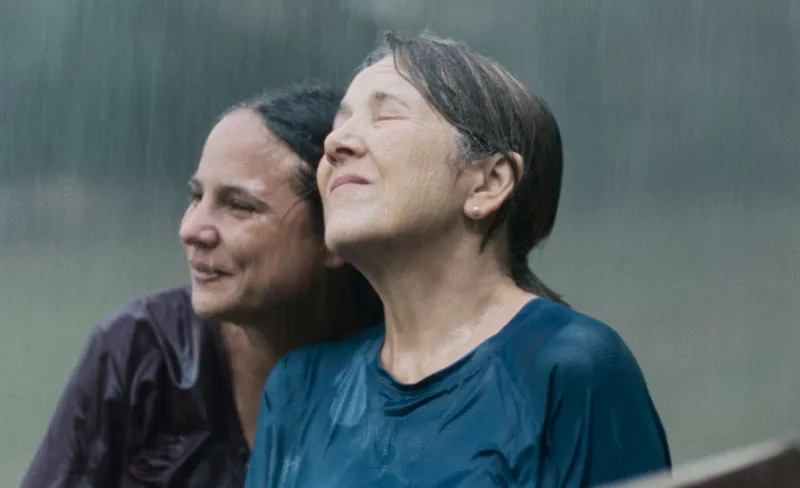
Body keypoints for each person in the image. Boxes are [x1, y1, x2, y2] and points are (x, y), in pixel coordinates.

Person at [245, 33, 671, 488]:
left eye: (385, 115)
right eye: (340, 122)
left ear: (488, 183)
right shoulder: (299, 390)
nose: (335, 144)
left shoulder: (570, 371)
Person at [22, 82, 382, 488]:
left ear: (337, 231)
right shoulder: (143, 353)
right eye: (196, 196)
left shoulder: (406, 377)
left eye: (239, 205)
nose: (192, 230)